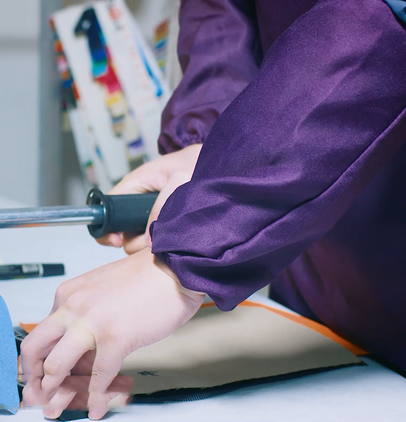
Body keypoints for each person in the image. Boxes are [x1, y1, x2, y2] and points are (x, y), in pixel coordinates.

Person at [20, 0, 406, 419]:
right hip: (315, 284)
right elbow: (223, 13)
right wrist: (207, 146)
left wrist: (190, 250)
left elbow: (375, 31)